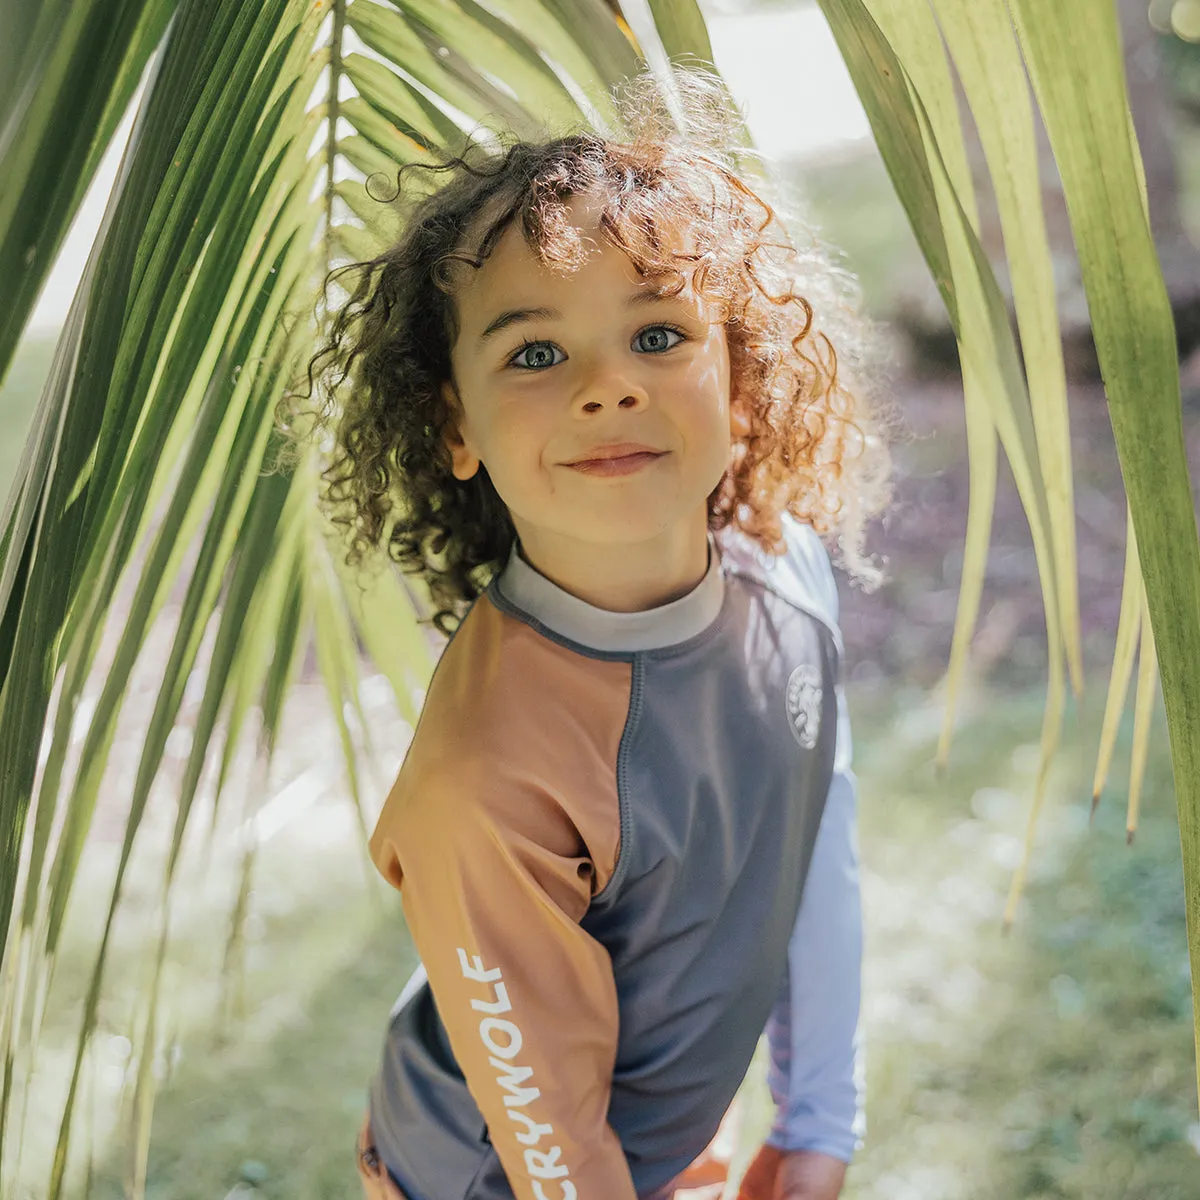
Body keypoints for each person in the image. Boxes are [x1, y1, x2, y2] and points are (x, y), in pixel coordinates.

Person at [296, 63, 890, 1200]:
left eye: (660, 334)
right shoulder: (488, 775)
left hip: (660, 1138)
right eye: (534, 352)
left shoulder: (788, 575)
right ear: (454, 424)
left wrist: (819, 1122)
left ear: (744, 381)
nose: (608, 386)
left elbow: (816, 838)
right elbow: (549, 1138)